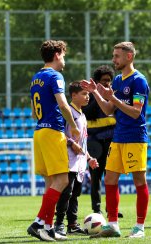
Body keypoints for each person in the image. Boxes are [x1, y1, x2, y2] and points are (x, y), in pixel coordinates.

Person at [80, 41, 150, 238]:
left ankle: (139, 228)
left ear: (129, 56)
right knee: (109, 179)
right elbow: (109, 109)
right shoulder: (118, 80)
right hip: (118, 136)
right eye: (113, 56)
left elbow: (136, 113)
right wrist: (96, 92)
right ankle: (113, 225)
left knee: (139, 180)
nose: (113, 60)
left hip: (135, 136)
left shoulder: (139, 81)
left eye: (117, 56)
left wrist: (115, 99)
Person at [27, 40, 80, 241]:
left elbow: (33, 112)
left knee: (51, 183)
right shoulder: (55, 76)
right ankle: (39, 222)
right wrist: (73, 127)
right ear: (57, 54)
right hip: (52, 132)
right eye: (64, 55)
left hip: (39, 131)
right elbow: (64, 105)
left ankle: (48, 227)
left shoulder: (36, 78)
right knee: (63, 180)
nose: (64, 59)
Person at [54, 81, 99, 236]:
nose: (88, 97)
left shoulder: (83, 115)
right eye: (84, 94)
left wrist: (89, 158)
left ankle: (72, 224)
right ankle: (59, 224)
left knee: (75, 194)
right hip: (67, 160)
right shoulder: (68, 113)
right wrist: (71, 142)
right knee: (66, 193)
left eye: (88, 94)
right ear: (73, 95)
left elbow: (83, 143)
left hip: (79, 162)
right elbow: (58, 133)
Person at [82, 65, 122, 217]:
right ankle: (96, 209)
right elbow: (87, 113)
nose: (108, 84)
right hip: (94, 143)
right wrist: (100, 96)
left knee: (111, 176)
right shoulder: (89, 96)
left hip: (111, 140)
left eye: (110, 81)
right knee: (95, 177)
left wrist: (110, 98)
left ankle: (112, 208)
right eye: (104, 80)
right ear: (97, 81)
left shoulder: (113, 95)